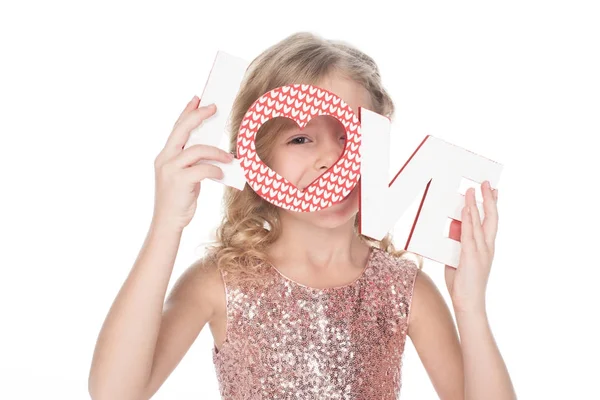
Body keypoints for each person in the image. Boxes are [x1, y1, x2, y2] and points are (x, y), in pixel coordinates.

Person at [88, 32, 516, 399]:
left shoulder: (403, 291)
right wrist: (167, 224)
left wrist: (470, 305)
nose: (333, 157)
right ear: (257, 156)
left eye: (351, 136)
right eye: (301, 138)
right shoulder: (220, 281)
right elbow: (115, 392)